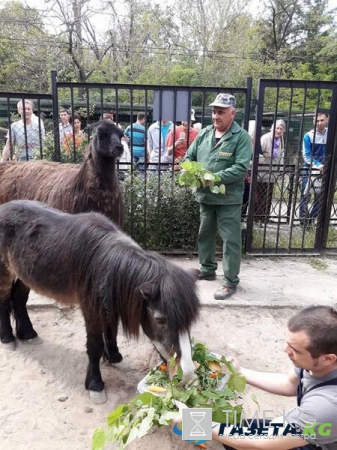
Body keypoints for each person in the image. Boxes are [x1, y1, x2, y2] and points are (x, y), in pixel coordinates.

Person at [174, 305, 337, 450]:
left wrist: (193, 423)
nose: (285, 350)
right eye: (288, 343)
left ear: (328, 359)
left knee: (240, 440)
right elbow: (289, 384)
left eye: (295, 349)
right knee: (231, 434)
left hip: (320, 441)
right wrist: (240, 372)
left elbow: (260, 440)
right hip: (315, 431)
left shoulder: (326, 405)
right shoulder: (314, 363)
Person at [184, 93, 251, 300]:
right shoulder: (204, 134)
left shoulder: (241, 137)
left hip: (228, 199)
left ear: (233, 113)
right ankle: (208, 269)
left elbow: (240, 168)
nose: (215, 116)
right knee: (205, 234)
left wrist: (214, 178)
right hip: (206, 197)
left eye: (220, 112)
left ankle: (230, 281)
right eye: (214, 111)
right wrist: (189, 171)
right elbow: (189, 156)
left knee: (230, 240)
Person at [299, 112, 328, 225]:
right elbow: (306, 155)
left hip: (325, 170)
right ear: (313, 121)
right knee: (305, 195)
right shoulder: (308, 135)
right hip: (309, 169)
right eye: (317, 120)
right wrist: (317, 165)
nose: (320, 123)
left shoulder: (330, 134)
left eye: (322, 120)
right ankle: (302, 219)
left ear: (327, 120)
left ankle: (310, 219)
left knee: (321, 197)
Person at [255, 119, 286, 223]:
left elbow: (281, 154)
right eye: (277, 128)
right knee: (260, 194)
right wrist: (262, 158)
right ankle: (257, 216)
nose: (278, 130)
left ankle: (265, 217)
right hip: (262, 171)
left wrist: (280, 170)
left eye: (281, 129)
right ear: (272, 128)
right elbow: (257, 152)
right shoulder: (265, 138)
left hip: (272, 172)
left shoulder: (281, 139)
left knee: (268, 194)